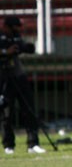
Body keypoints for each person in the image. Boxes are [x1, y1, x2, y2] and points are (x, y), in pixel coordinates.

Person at [0, 16, 45, 154]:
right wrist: (5, 52)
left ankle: (33, 143)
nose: (17, 30)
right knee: (6, 112)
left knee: (29, 109)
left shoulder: (16, 37)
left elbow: (25, 48)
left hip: (18, 75)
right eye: (15, 27)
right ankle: (9, 145)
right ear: (7, 26)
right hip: (3, 77)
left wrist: (25, 47)